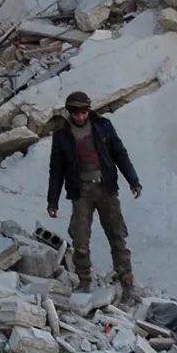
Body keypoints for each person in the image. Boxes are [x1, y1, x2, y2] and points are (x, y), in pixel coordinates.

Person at [46, 91, 142, 294]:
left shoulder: (103, 126)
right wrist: (52, 201)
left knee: (117, 236)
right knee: (80, 240)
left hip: (106, 188)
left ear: (88, 110)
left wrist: (133, 181)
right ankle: (84, 281)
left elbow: (119, 153)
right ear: (69, 112)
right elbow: (56, 170)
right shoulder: (62, 135)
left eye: (83, 112)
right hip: (81, 194)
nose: (80, 117)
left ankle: (127, 280)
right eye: (76, 113)